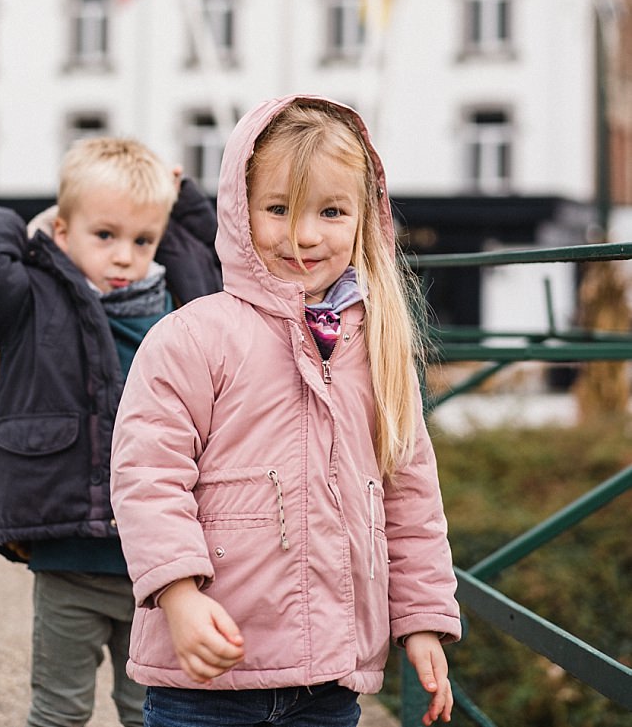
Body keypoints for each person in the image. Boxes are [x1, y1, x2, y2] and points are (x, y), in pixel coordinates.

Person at [109, 96, 460, 727]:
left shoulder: (379, 345)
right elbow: (148, 477)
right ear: (240, 212)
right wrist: (178, 595)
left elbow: (409, 495)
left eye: (330, 211)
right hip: (206, 678)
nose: (303, 235)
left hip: (329, 679)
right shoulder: (194, 337)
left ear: (364, 219)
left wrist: (422, 622)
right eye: (278, 209)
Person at [0, 137, 222, 727]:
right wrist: (37, 220)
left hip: (163, 566)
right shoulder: (36, 297)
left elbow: (220, 249)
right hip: (68, 552)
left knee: (147, 708)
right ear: (63, 233)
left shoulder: (183, 300)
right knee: (59, 708)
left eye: (142, 241)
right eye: (104, 236)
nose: (124, 257)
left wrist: (182, 198)